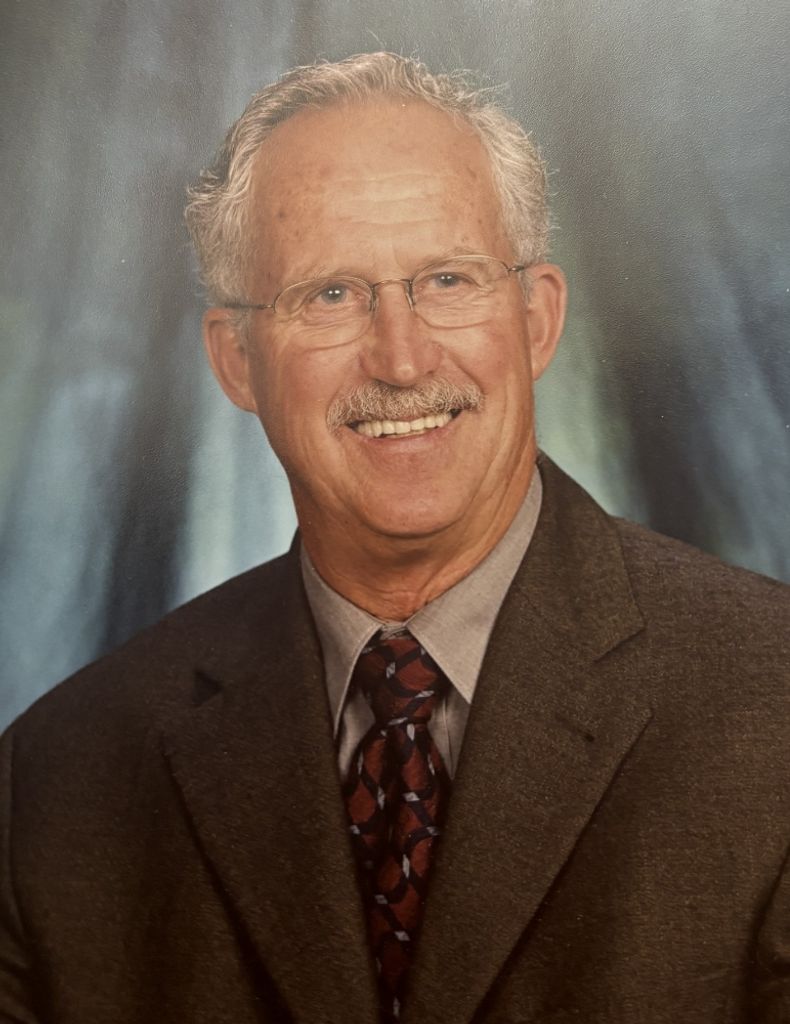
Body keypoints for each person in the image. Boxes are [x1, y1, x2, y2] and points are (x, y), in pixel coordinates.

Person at [1, 52, 789, 1024]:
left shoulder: (772, 708)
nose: (402, 356)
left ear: (536, 319)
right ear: (235, 359)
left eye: (447, 279)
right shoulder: (55, 783)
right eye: (329, 294)